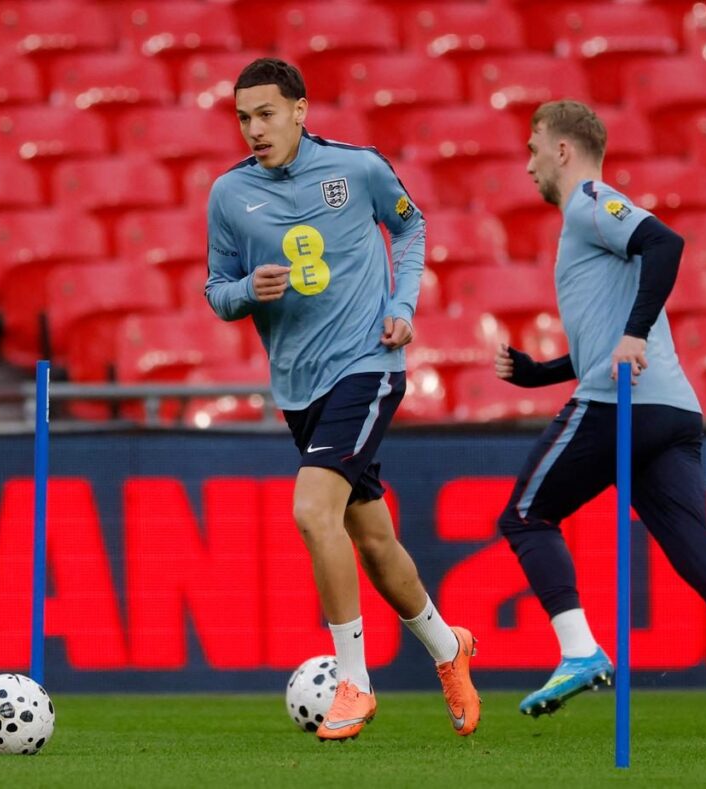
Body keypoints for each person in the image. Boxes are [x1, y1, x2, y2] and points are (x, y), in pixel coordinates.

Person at [493, 100, 706, 736]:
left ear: (562, 149)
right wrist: (541, 373)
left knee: (526, 515)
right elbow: (603, 335)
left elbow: (667, 242)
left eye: (533, 148)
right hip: (671, 409)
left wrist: (634, 333)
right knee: (695, 551)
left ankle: (580, 650)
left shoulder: (590, 201)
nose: (526, 164)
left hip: (622, 404)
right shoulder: (585, 220)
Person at [204, 58, 479, 741]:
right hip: (299, 387)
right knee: (375, 541)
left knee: (310, 509)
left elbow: (411, 226)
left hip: (367, 363)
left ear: (300, 108)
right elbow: (216, 289)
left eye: (266, 113)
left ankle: (353, 681)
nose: (254, 129)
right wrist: (247, 292)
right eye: (243, 118)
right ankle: (450, 648)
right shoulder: (228, 195)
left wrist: (403, 303)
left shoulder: (357, 170)